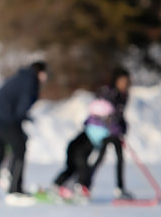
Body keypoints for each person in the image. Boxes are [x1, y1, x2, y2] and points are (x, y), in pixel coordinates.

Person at [0, 61, 48, 206]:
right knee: (20, 147)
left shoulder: (21, 77)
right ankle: (15, 190)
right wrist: (22, 118)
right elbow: (22, 106)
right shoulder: (31, 81)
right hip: (1, 116)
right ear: (41, 73)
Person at [52, 99, 120, 201]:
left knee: (73, 169)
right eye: (108, 117)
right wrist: (114, 136)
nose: (110, 120)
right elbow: (101, 135)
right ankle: (73, 187)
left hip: (76, 150)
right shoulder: (95, 126)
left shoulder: (97, 125)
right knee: (81, 169)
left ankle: (59, 185)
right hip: (77, 151)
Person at [92, 67, 133, 200]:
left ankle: (120, 188)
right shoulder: (110, 93)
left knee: (120, 159)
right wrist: (112, 126)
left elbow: (120, 115)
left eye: (126, 81)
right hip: (106, 132)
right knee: (99, 158)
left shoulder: (124, 95)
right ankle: (85, 184)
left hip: (116, 133)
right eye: (122, 81)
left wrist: (123, 127)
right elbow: (104, 113)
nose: (124, 84)